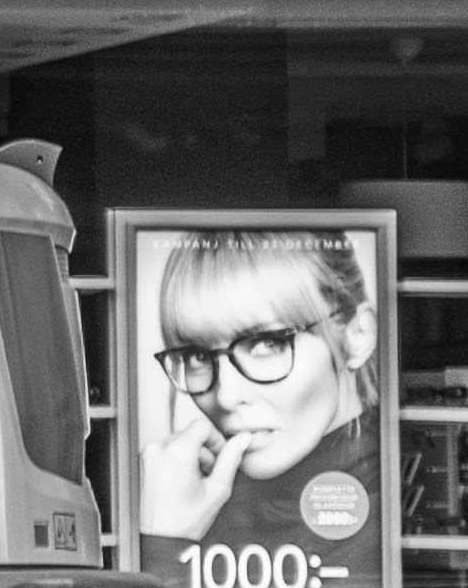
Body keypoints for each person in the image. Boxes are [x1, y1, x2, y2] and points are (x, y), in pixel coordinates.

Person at [140, 228, 382, 551]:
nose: (225, 396)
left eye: (267, 344)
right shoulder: (181, 502)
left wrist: (163, 548)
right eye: (198, 356)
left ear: (358, 335)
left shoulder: (391, 513)